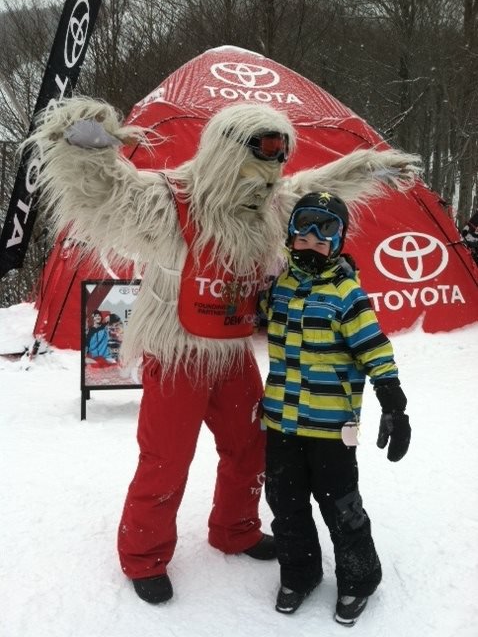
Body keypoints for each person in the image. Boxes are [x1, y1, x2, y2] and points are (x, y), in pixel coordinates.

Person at [26, 95, 419, 605]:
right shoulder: (169, 198)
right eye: (263, 161)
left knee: (250, 446)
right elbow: (109, 193)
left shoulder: (271, 207)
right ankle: (144, 555)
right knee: (166, 458)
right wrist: (87, 149)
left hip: (231, 353)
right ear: (227, 152)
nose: (273, 177)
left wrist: (369, 166)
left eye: (280, 162)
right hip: (176, 354)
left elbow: (315, 188)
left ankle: (236, 528)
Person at [260, 192, 411, 627]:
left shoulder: (347, 294)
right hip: (282, 423)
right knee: (285, 505)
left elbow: (375, 349)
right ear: (291, 234)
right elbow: (254, 315)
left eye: (323, 233)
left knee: (342, 507)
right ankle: (301, 573)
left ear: (338, 240)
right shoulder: (280, 286)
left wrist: (394, 404)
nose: (311, 240)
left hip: (329, 430)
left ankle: (358, 580)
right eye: (304, 230)